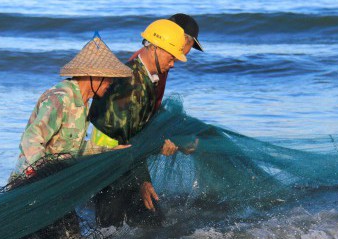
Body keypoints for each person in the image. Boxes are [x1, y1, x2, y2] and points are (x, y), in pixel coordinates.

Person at [87, 17, 200, 227]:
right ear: (155, 48)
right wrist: (144, 180)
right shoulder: (131, 83)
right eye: (172, 56)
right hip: (109, 166)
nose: (173, 63)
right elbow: (126, 139)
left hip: (124, 163)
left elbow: (139, 129)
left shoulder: (147, 78)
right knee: (111, 232)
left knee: (147, 227)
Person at [14, 33, 132, 179]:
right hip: (31, 180)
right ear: (94, 76)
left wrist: (109, 151)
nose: (111, 83)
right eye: (109, 78)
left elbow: (74, 148)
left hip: (58, 176)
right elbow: (30, 139)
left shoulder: (83, 103)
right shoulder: (59, 99)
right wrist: (43, 173)